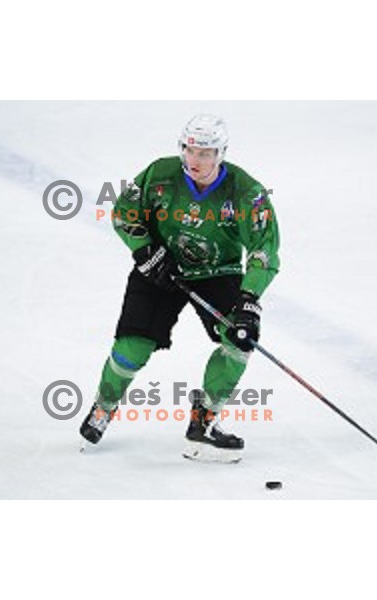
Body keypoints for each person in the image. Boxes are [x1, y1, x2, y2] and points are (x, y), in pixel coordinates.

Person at [79, 114, 280, 462]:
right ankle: (103, 407)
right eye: (190, 150)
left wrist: (249, 299)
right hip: (160, 268)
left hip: (218, 272)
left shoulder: (247, 194)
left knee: (240, 340)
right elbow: (125, 212)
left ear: (221, 154)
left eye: (205, 153)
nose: (196, 160)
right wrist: (144, 249)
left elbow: (264, 250)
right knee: (132, 347)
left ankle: (204, 418)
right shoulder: (160, 174)